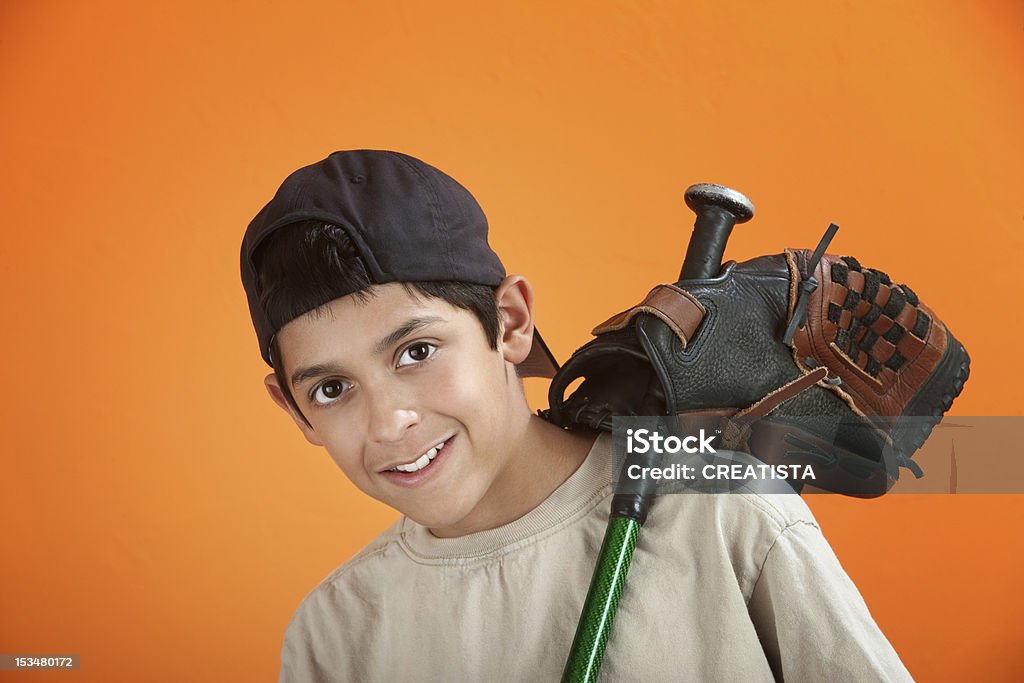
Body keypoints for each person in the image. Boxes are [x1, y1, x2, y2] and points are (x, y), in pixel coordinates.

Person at [241, 150, 912, 681]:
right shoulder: (334, 633)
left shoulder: (725, 515)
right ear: (293, 409)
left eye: (416, 350)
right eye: (332, 388)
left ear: (510, 322)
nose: (388, 421)